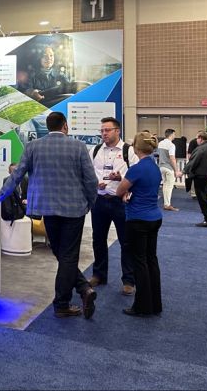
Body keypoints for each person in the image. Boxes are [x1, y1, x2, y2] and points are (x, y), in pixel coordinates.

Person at [0, 111, 98, 319]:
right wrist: (90, 202)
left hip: (46, 209)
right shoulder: (78, 147)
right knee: (68, 255)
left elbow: (16, 174)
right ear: (65, 126)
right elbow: (91, 181)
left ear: (47, 126)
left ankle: (82, 290)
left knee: (60, 252)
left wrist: (1, 195)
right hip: (74, 210)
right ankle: (64, 302)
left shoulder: (33, 146)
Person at [114, 132, 163, 317]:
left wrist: (125, 190)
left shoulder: (136, 168)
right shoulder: (154, 167)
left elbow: (120, 191)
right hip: (154, 217)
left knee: (139, 263)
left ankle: (142, 306)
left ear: (135, 148)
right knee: (151, 260)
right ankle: (155, 303)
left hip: (137, 219)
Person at [89, 117, 137, 295]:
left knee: (127, 241)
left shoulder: (128, 151)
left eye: (107, 130)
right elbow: (89, 173)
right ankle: (99, 274)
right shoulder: (95, 151)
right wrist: (95, 184)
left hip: (121, 202)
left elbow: (136, 174)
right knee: (98, 239)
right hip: (100, 201)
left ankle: (128, 280)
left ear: (117, 131)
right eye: (102, 131)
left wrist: (121, 181)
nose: (104, 134)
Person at [184, 132, 207, 227]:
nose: (196, 140)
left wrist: (184, 171)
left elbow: (193, 161)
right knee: (206, 197)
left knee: (203, 198)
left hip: (201, 176)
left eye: (196, 138)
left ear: (200, 138)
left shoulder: (200, 149)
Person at [157, 129, 181, 212]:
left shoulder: (160, 143)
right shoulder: (171, 145)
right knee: (169, 187)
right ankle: (167, 204)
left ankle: (166, 203)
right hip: (168, 168)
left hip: (161, 167)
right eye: (174, 134)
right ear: (171, 134)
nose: (175, 136)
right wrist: (176, 170)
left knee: (165, 186)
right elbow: (172, 158)